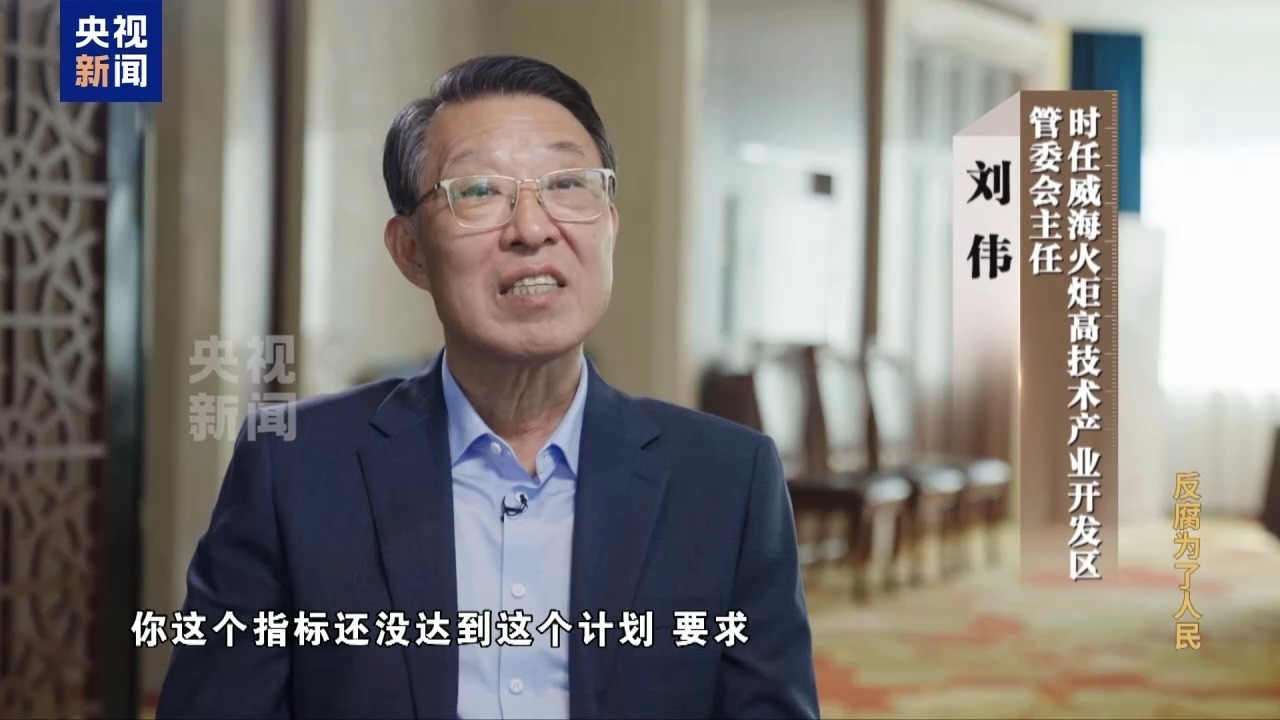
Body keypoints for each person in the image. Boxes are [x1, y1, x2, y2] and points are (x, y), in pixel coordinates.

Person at [156, 55, 819, 720]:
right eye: (477, 191)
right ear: (410, 250)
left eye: (568, 184)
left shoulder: (728, 481)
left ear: (610, 226)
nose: (531, 229)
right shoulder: (293, 470)